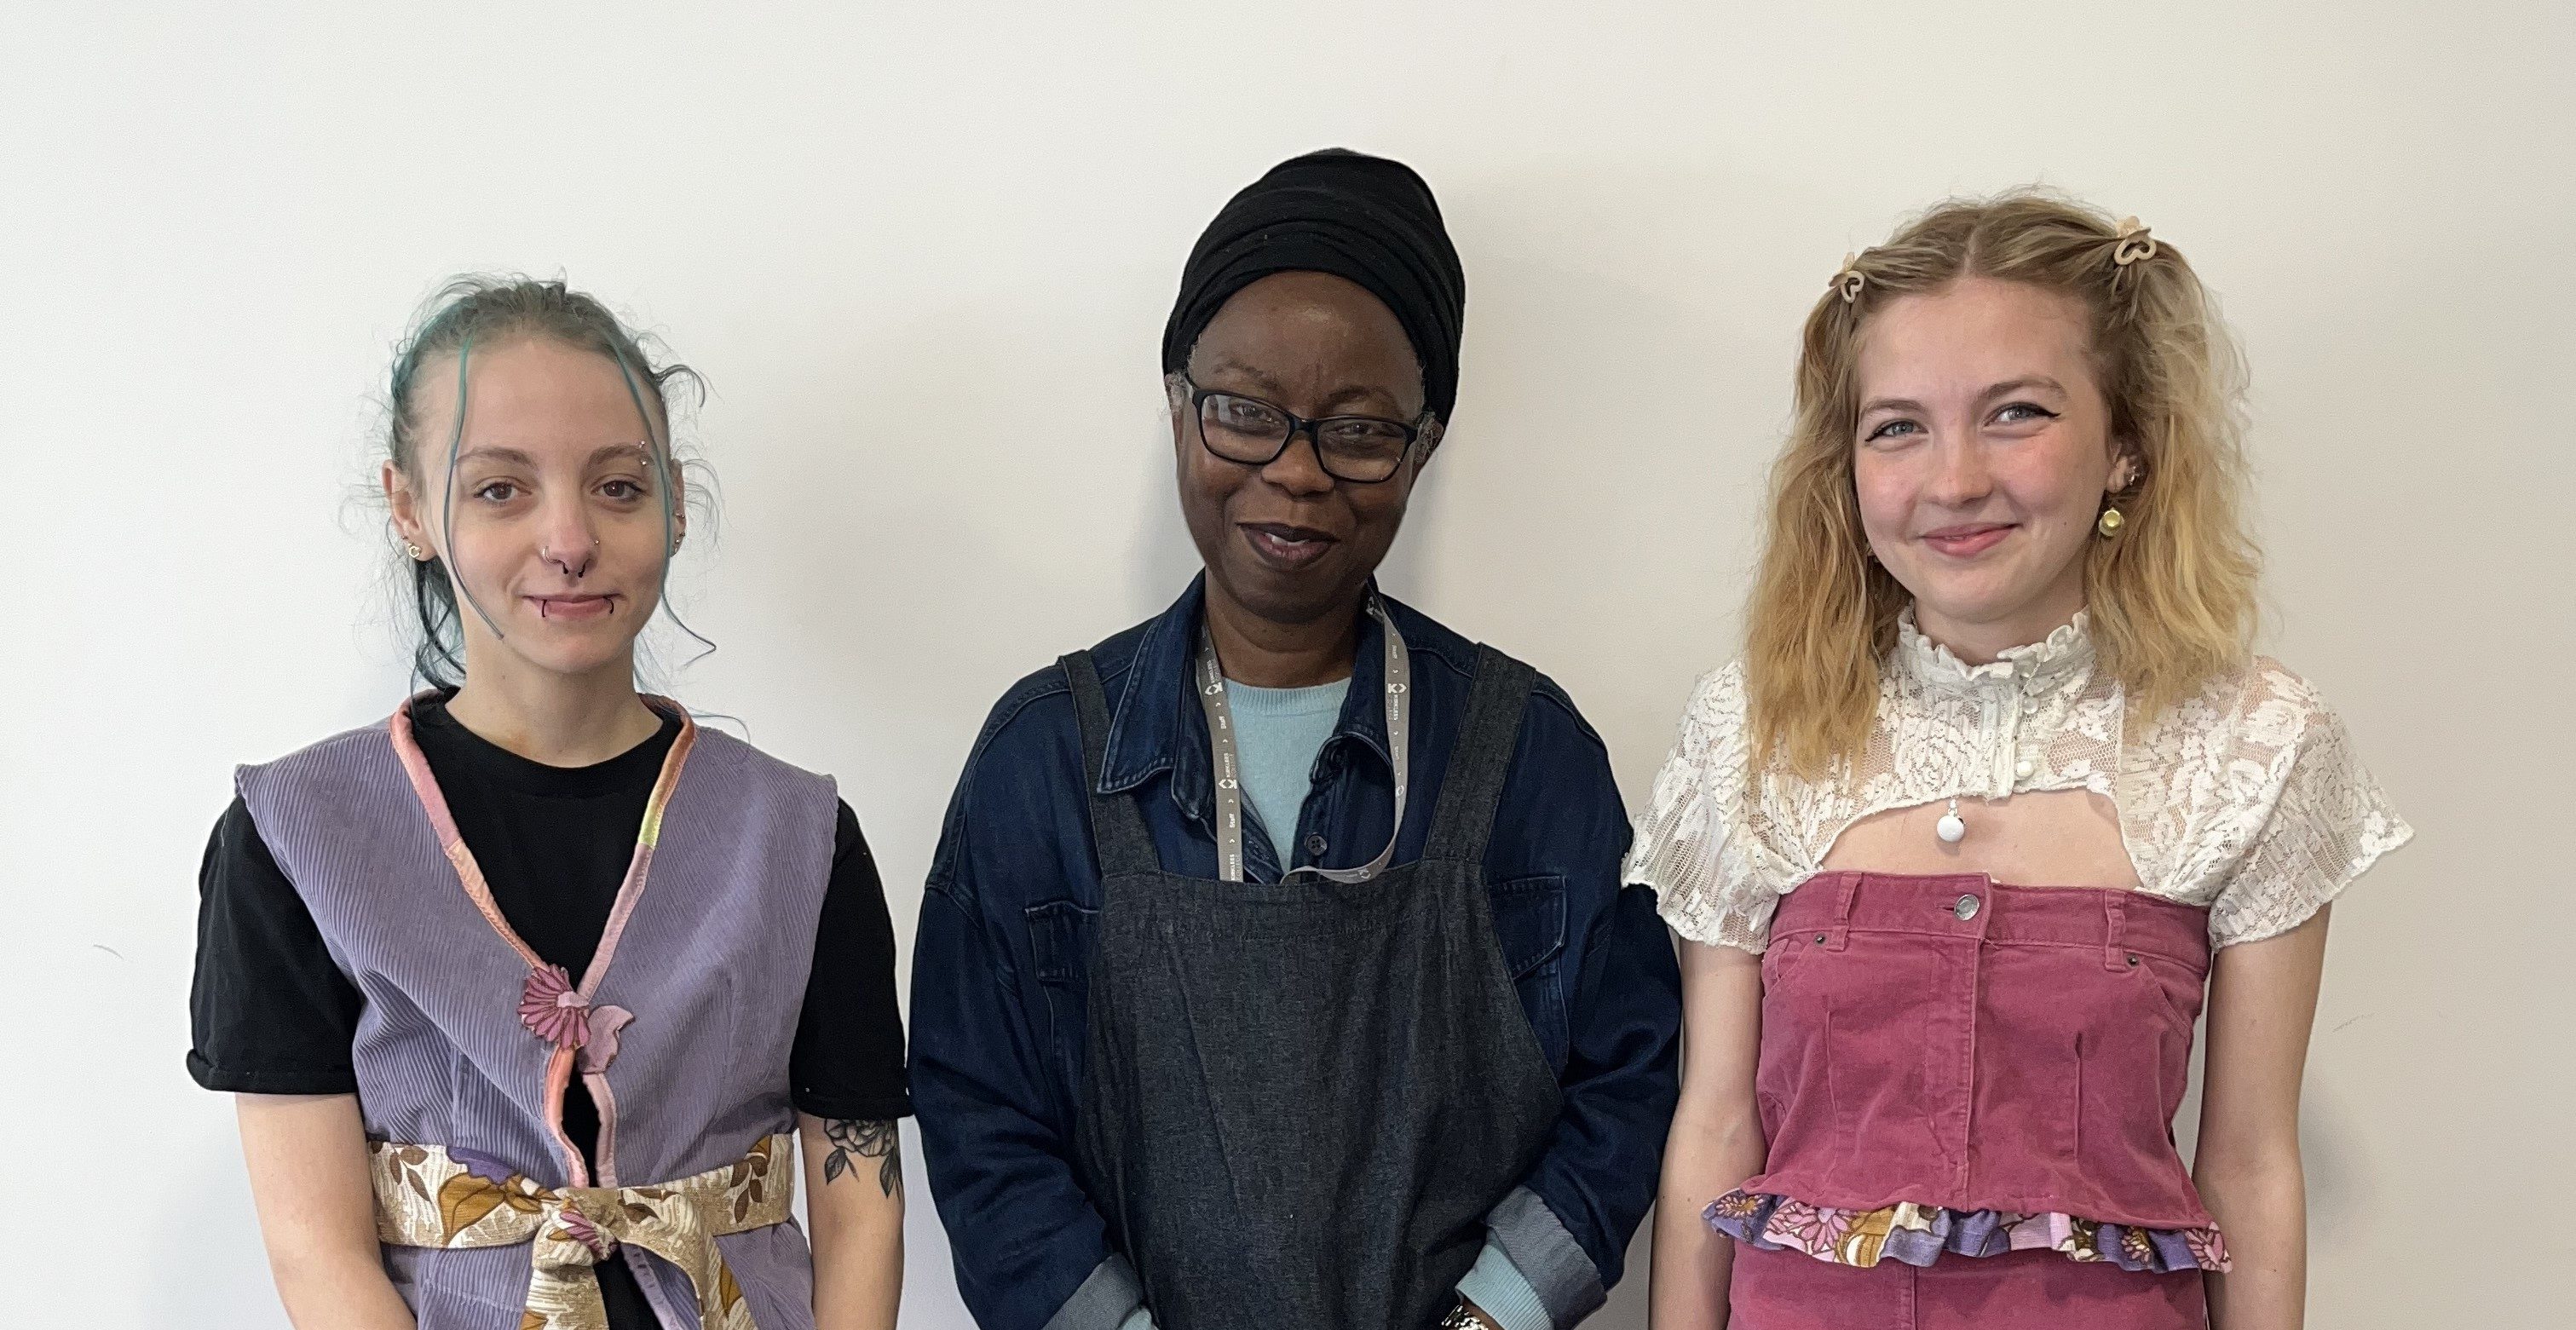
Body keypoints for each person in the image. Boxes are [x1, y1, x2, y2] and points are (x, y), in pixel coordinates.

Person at [909, 150, 1681, 1330]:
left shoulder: (1523, 753)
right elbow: (977, 1112)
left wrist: (1491, 1319)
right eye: (1246, 414)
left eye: (1358, 431)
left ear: (1419, 450)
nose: (1297, 471)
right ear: (1177, 406)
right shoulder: (1044, 759)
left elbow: (1624, 1081)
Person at [1635, 195, 2412, 1329]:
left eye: (2013, 413)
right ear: (1841, 468)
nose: (1951, 480)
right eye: (1895, 426)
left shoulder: (2250, 741)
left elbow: (2245, 1164)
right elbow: (1713, 1126)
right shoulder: (1749, 728)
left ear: (2126, 444)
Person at [188, 279, 910, 1330]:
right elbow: (316, 1250)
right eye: (499, 490)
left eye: (618, 487)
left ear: (673, 498)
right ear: (408, 506)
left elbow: (859, 1215)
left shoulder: (797, 839)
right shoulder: (297, 838)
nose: (568, 538)